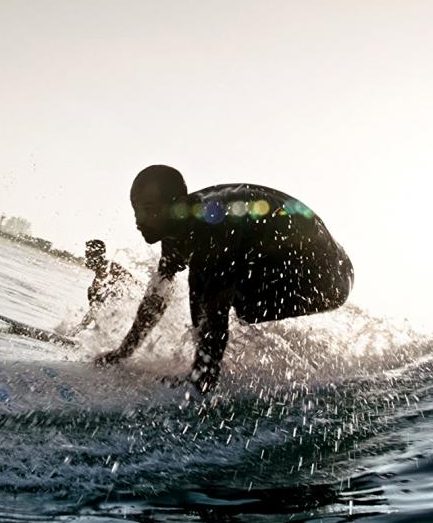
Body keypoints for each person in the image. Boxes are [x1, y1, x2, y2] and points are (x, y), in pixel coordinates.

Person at [95, 164, 353, 392]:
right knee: (216, 291)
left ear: (177, 203)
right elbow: (158, 295)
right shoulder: (177, 229)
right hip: (294, 261)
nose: (139, 220)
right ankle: (209, 370)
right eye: (136, 210)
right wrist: (123, 352)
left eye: (148, 209)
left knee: (218, 293)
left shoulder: (211, 222)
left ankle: (205, 376)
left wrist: (200, 379)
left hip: (329, 277)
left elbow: (213, 307)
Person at [78, 239, 138, 330]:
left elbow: (133, 283)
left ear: (99, 255)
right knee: (95, 300)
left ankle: (78, 331)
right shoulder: (98, 276)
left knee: (99, 303)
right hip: (118, 308)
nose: (87, 257)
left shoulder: (108, 267)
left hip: (127, 305)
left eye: (90, 254)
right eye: (86, 253)